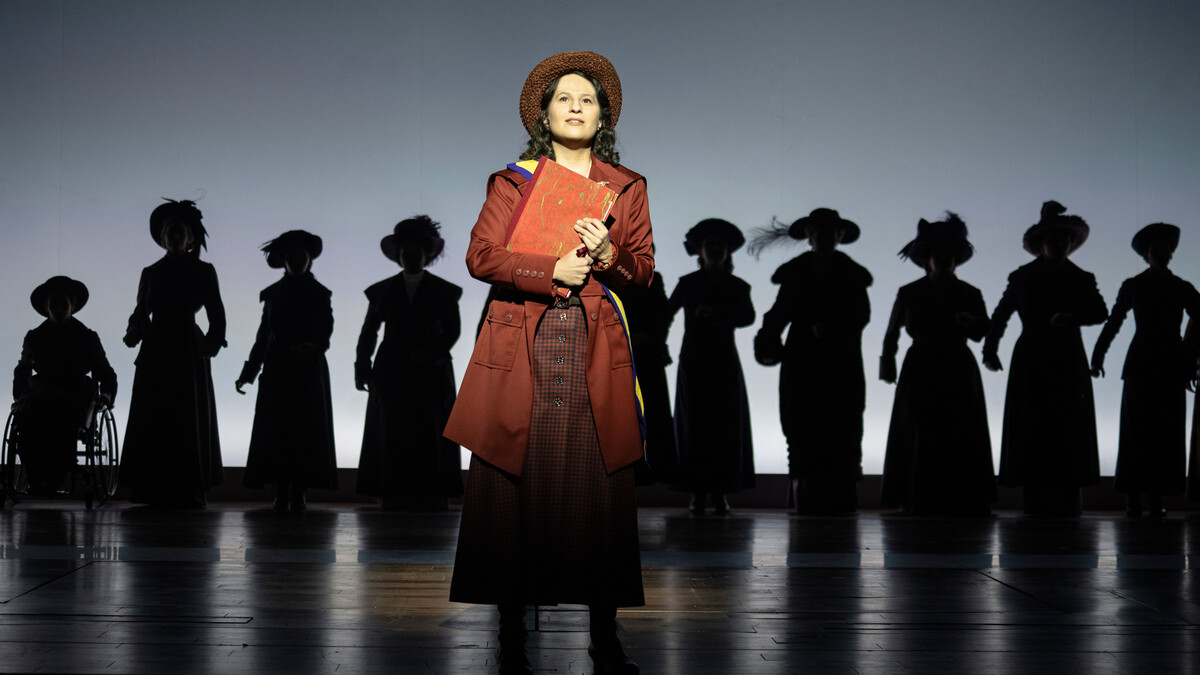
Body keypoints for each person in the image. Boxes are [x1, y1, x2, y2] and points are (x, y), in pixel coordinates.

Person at [443, 51, 652, 675]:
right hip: (522, 340)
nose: (577, 106)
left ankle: (605, 637)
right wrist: (546, 269)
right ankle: (510, 635)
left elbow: (643, 271)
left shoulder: (627, 185)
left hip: (592, 341)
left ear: (603, 114)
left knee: (599, 493)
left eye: (588, 99)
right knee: (513, 487)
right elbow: (482, 256)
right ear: (545, 113)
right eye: (565, 98)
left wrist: (609, 252)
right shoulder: (512, 180)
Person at [983, 201, 1107, 517]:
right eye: (1054, 240)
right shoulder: (1021, 277)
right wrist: (990, 348)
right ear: (1042, 244)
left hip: (1067, 358)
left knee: (1067, 425)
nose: (1061, 244)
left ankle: (1067, 497)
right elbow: (1001, 315)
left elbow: (1099, 312)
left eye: (1065, 240)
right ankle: (1034, 499)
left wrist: (1071, 317)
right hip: (1031, 358)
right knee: (1032, 425)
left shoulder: (1082, 278)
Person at [752, 208, 872, 515]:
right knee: (800, 426)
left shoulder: (852, 274)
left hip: (841, 363)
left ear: (840, 237)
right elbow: (778, 313)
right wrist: (767, 342)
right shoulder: (795, 273)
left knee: (843, 427)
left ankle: (843, 494)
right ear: (810, 236)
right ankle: (804, 493)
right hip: (802, 363)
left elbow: (861, 315)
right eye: (820, 232)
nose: (825, 238)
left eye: (831, 233)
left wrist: (835, 328)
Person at [879, 214, 995, 516]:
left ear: (956, 259)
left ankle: (960, 497)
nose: (943, 260)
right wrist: (887, 364)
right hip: (921, 367)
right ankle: (916, 496)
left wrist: (973, 323)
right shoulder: (909, 292)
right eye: (937, 254)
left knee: (959, 429)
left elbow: (984, 331)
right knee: (919, 428)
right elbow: (891, 331)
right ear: (928, 259)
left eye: (949, 255)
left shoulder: (970, 293)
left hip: (957, 366)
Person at [120, 199, 226, 508]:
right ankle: (152, 487)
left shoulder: (204, 271)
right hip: (156, 349)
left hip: (188, 350)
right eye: (169, 231)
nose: (174, 236)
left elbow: (216, 313)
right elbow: (141, 310)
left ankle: (191, 488)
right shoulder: (151, 272)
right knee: (156, 415)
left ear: (191, 237)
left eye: (180, 231)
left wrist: (212, 342)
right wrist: (134, 330)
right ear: (162, 237)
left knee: (187, 415)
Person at [1090, 223, 1200, 518]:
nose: (1161, 254)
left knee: (1160, 431)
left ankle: (1151, 496)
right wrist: (1098, 354)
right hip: (1148, 364)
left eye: (1165, 249)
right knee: (1140, 431)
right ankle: (1138, 497)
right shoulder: (1142, 286)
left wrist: (1191, 358)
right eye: (1157, 250)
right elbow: (1114, 322)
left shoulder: (1177, 287)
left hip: (1163, 364)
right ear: (1148, 255)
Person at [355, 215, 463, 510]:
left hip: (431, 372)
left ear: (427, 255)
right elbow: (369, 332)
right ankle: (392, 493)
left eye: (417, 251)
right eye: (407, 251)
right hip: (392, 371)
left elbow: (453, 330)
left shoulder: (444, 291)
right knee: (392, 431)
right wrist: (361, 367)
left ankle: (433, 494)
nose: (412, 255)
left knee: (430, 431)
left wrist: (431, 352)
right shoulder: (382, 290)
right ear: (399, 255)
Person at [236, 230, 337, 511]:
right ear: (284, 261)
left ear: (309, 261)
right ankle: (280, 489)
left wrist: (312, 347)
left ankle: (299, 490)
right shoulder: (272, 296)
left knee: (305, 429)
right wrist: (249, 372)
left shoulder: (320, 294)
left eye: (301, 256)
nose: (296, 260)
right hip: (278, 367)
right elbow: (263, 336)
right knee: (277, 430)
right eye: (291, 256)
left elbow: (325, 329)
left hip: (307, 367)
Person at [668, 219, 755, 514]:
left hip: (724, 361)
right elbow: (666, 315)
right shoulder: (687, 283)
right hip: (693, 362)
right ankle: (697, 491)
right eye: (710, 245)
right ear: (700, 251)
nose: (715, 250)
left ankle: (719, 492)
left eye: (720, 246)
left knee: (724, 426)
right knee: (694, 425)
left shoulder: (737, 286)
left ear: (727, 251)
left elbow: (748, 317)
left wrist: (716, 314)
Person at [12, 276, 117, 494]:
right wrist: (18, 399)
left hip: (75, 391)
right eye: (54, 303)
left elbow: (104, 370)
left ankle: (53, 480)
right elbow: (23, 368)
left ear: (72, 306)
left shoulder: (87, 337)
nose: (58, 308)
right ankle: (36, 478)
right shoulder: (35, 337)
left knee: (63, 414)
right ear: (46, 307)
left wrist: (106, 396)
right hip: (41, 392)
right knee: (27, 418)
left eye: (63, 303)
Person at [621, 248, 676, 486]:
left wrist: (650, 338)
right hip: (621, 354)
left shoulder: (655, 278)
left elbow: (663, 315)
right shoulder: (613, 277)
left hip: (648, 355)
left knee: (652, 412)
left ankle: (652, 471)